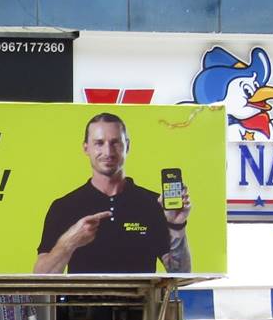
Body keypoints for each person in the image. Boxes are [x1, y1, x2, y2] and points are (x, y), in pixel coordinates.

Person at [34, 112, 192, 274]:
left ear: (127, 146)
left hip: (142, 299)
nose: (108, 152)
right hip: (80, 300)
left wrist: (176, 225)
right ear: (86, 148)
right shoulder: (64, 207)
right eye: (99, 143)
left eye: (115, 142)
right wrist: (69, 242)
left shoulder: (153, 203)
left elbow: (180, 274)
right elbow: (40, 278)